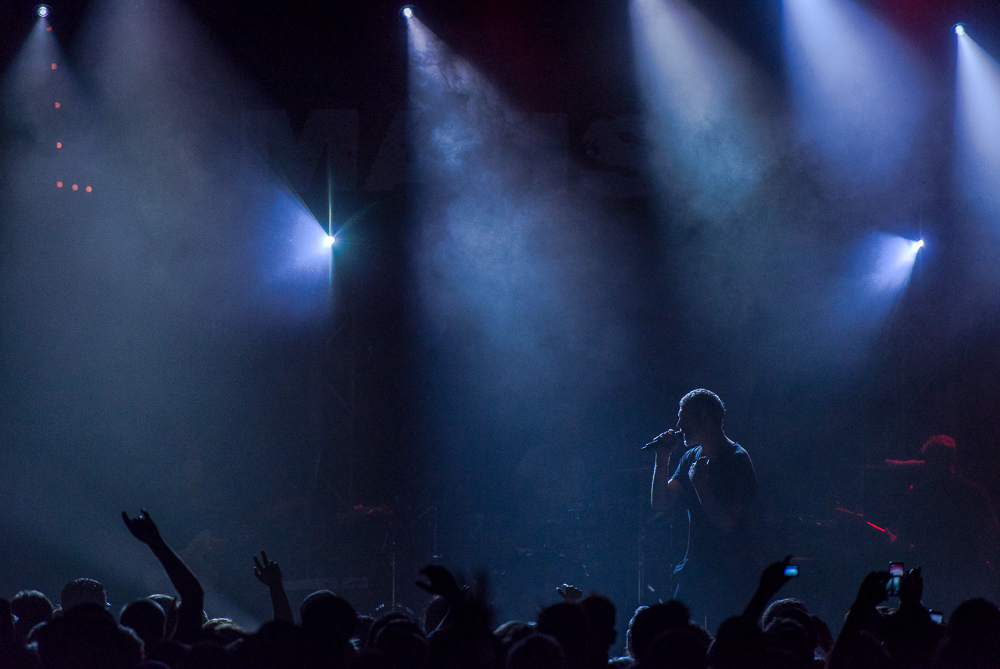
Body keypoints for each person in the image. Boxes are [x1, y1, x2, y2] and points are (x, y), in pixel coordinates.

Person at [647, 389, 758, 627]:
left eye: (683, 417)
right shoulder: (690, 458)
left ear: (706, 417)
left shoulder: (737, 460)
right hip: (694, 571)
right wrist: (663, 456)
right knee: (678, 638)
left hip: (729, 576)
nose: (678, 424)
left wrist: (700, 484)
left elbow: (727, 525)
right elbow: (661, 503)